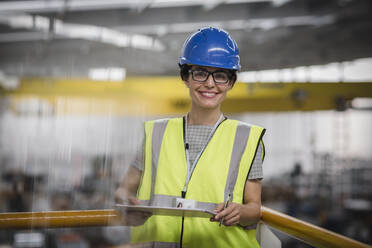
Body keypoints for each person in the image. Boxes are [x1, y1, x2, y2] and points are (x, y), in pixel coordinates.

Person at [115, 27, 266, 248]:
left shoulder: (248, 138)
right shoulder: (156, 133)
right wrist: (127, 205)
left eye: (221, 75)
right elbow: (123, 190)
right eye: (200, 73)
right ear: (185, 77)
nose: (210, 84)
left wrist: (241, 212)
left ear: (231, 82)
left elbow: (255, 208)